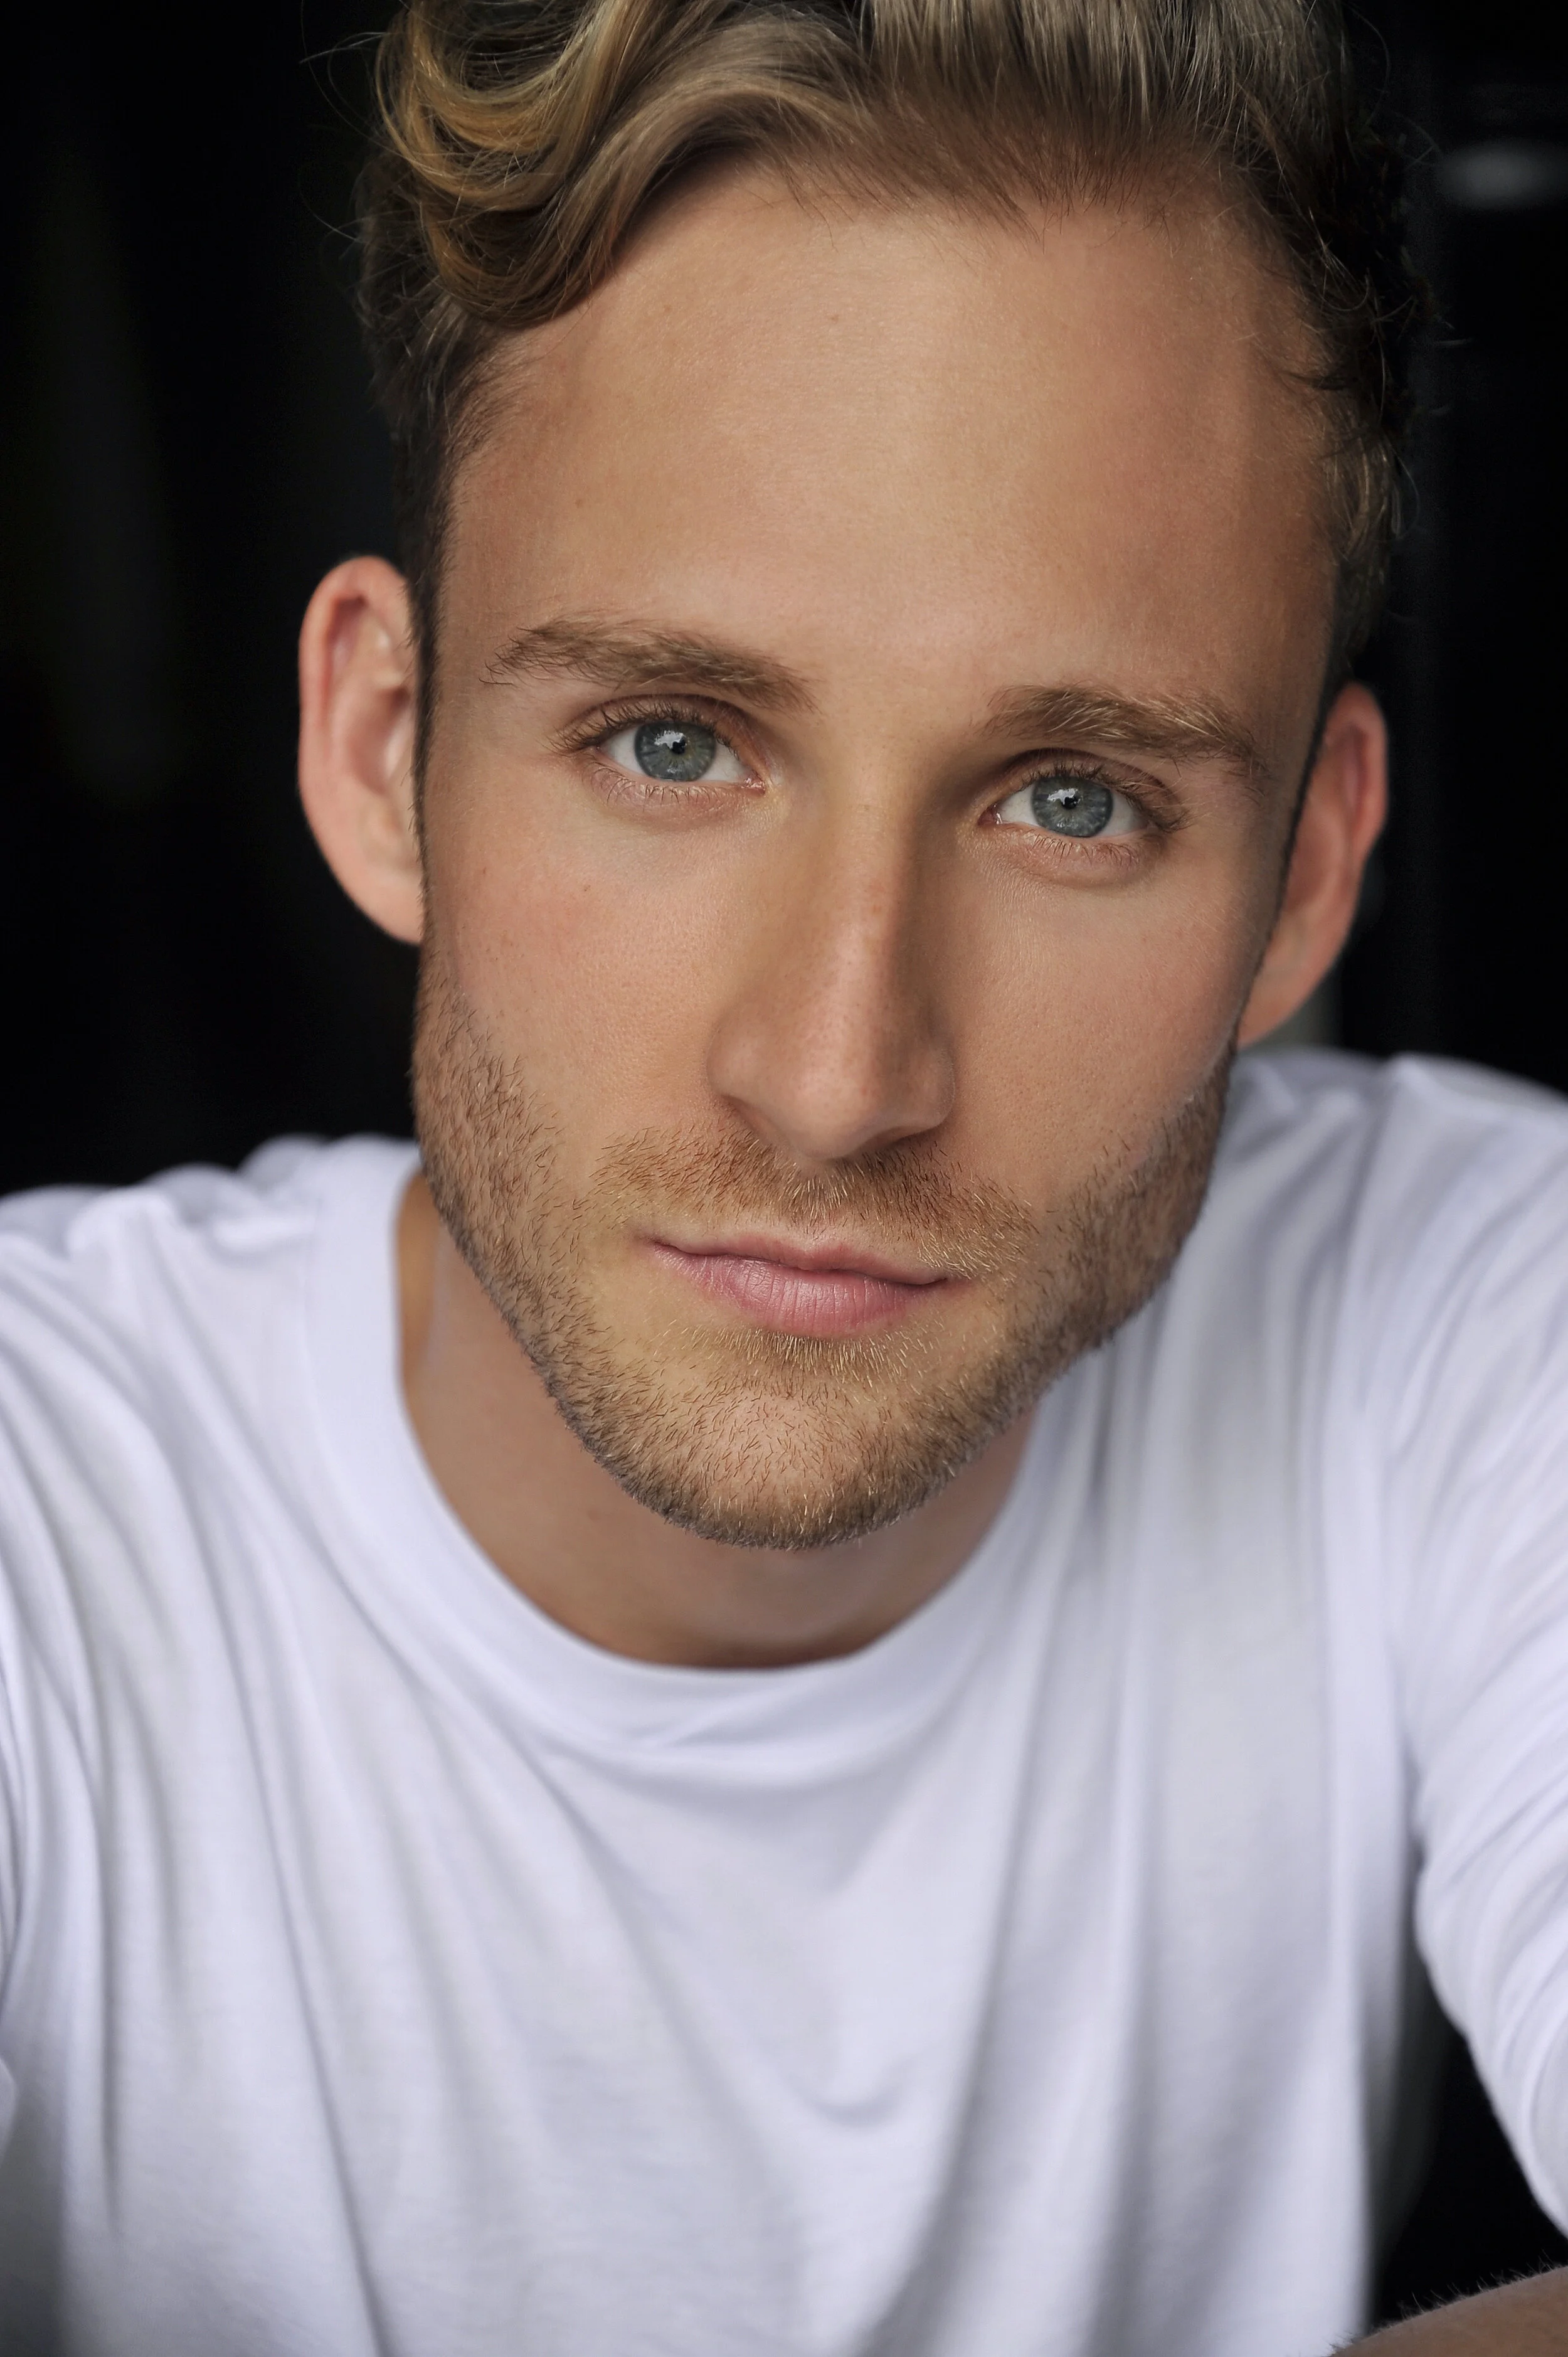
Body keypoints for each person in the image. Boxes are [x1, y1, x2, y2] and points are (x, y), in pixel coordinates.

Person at [2, 0, 1567, 2348]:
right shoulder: (43, 1497)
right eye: (670, 743)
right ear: (381, 745)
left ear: (1308, 877)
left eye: (1071, 801)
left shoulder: (1462, 1301)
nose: (838, 1077)